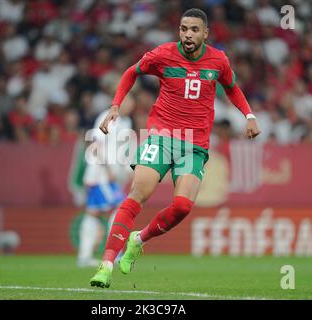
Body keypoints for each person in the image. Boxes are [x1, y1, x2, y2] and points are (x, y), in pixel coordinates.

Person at [90, 8, 261, 288]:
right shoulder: (163, 54)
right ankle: (106, 263)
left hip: (195, 144)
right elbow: (130, 73)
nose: (188, 34)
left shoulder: (218, 60)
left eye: (194, 29)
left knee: (182, 206)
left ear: (205, 33)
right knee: (137, 193)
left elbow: (231, 88)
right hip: (162, 135)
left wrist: (249, 115)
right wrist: (115, 106)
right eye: (183, 29)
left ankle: (138, 239)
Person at [77, 99, 134, 267]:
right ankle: (114, 254)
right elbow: (96, 144)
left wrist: (125, 169)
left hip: (108, 175)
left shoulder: (126, 121)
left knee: (93, 213)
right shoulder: (107, 116)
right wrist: (108, 168)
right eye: (129, 102)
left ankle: (85, 257)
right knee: (120, 209)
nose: (131, 106)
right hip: (100, 173)